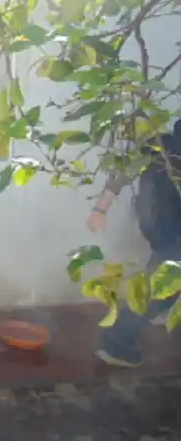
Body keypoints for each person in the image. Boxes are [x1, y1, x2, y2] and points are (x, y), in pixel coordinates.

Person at [87, 120, 181, 368]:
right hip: (171, 229)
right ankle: (115, 344)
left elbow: (123, 170)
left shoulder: (158, 141)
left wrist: (100, 209)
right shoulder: (160, 145)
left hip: (154, 225)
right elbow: (123, 171)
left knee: (162, 274)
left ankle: (158, 307)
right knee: (161, 285)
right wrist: (99, 209)